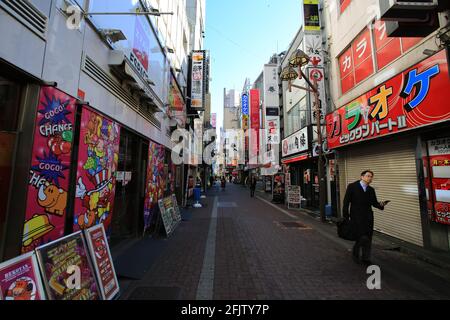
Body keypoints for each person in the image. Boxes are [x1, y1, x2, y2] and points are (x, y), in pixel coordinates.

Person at [343, 170, 390, 265]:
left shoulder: (371, 190)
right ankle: (356, 254)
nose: (370, 178)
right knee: (360, 237)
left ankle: (366, 258)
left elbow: (374, 203)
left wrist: (381, 204)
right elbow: (346, 202)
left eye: (371, 176)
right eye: (368, 176)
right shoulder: (352, 186)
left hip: (368, 217)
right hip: (356, 217)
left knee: (368, 238)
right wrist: (346, 216)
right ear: (362, 176)